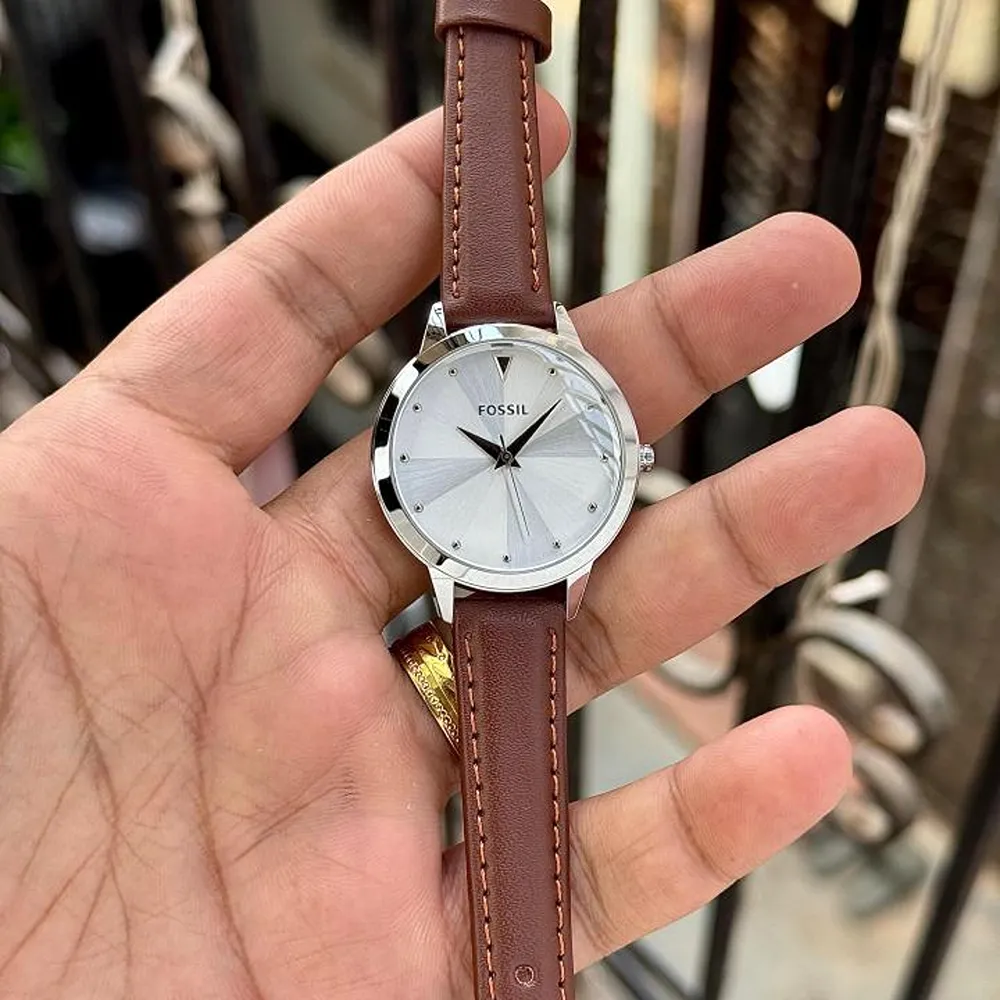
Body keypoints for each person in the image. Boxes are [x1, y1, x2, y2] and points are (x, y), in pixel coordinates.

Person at [0, 94, 923, 998]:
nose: (509, 452)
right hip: (474, 565)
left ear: (626, 456)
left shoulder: (487, 404)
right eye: (493, 445)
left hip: (528, 562)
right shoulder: (443, 415)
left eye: (523, 443)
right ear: (397, 442)